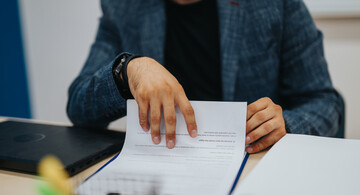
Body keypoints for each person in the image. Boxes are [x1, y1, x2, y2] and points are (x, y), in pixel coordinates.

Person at [67, 0, 341, 153]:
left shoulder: (273, 4)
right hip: (162, 163)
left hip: (252, 163)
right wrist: (127, 70)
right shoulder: (124, 7)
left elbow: (325, 102)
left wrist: (285, 125)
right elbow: (78, 106)